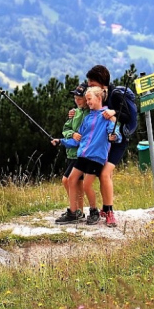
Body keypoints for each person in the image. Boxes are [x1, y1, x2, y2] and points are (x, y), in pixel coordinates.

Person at [56, 86, 120, 225]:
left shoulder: (107, 116)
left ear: (98, 98)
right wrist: (61, 141)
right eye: (87, 100)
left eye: (89, 99)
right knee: (71, 179)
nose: (88, 102)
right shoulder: (88, 118)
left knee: (86, 185)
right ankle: (73, 212)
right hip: (83, 155)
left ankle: (94, 211)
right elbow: (78, 138)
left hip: (96, 157)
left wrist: (113, 136)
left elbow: (114, 133)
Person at [85, 64, 136, 228]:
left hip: (119, 141)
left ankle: (110, 213)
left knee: (105, 173)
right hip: (105, 141)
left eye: (92, 83)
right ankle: (105, 208)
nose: (89, 86)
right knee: (103, 174)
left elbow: (128, 116)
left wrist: (114, 112)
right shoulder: (100, 95)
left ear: (101, 82)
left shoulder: (114, 95)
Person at [51, 83, 89, 222]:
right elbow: (66, 129)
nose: (77, 100)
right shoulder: (75, 112)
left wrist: (62, 140)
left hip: (80, 154)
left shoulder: (89, 115)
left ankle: (74, 211)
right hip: (71, 153)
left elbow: (82, 138)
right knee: (77, 183)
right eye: (75, 97)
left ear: (87, 98)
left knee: (66, 180)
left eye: (80, 97)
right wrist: (71, 134)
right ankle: (79, 211)